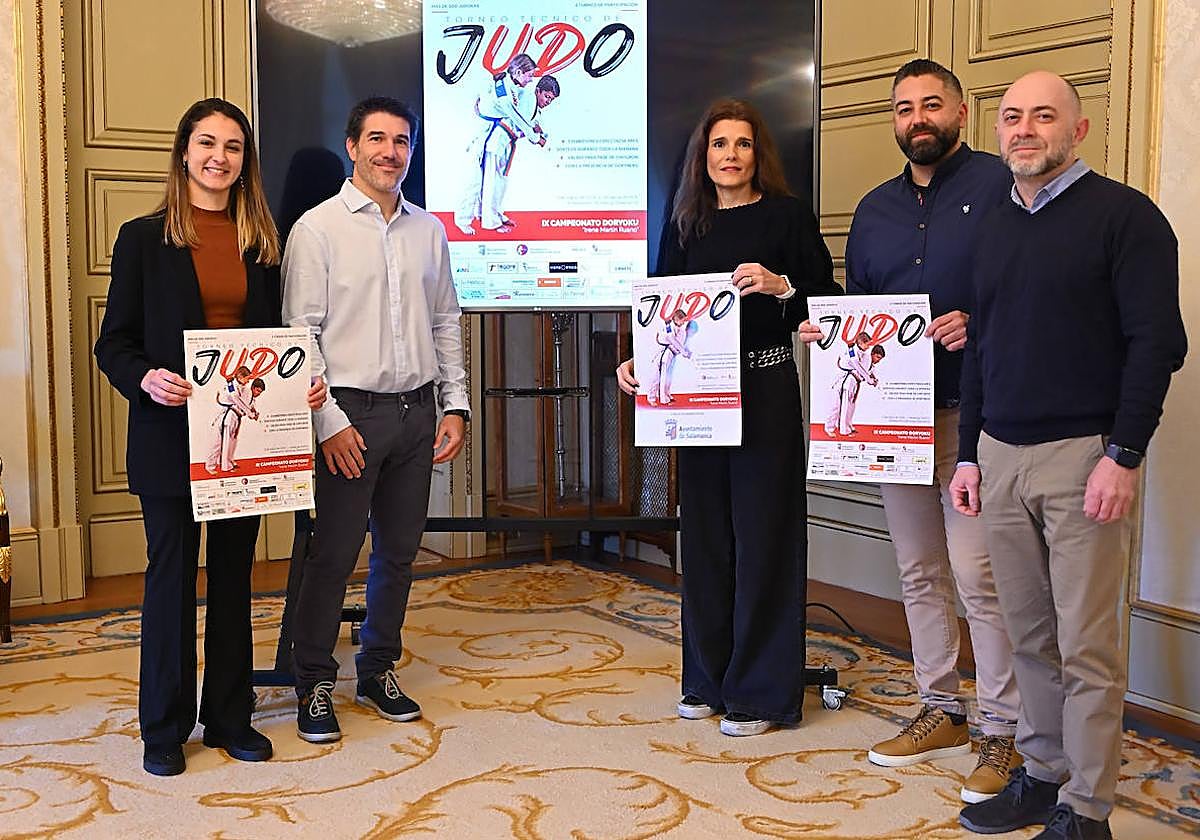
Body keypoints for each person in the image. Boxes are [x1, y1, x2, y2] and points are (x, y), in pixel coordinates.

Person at [949, 72, 1186, 839]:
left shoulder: (1127, 217)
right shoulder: (991, 223)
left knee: (1087, 645)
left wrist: (1124, 452)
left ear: (1078, 130)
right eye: (1012, 117)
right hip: (1001, 455)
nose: (1025, 129)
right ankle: (1043, 773)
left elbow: (1158, 344)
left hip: (1086, 457)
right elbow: (979, 348)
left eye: (1043, 116)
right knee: (1029, 638)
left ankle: (1086, 811)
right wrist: (967, 455)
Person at [799, 59, 1022, 804]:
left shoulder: (1000, 188)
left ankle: (1003, 730)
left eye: (931, 104)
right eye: (904, 108)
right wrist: (825, 336)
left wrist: (980, 323)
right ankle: (941, 709)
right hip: (895, 419)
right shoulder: (873, 211)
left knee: (979, 577)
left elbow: (1035, 289)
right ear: (894, 121)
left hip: (973, 417)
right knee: (919, 573)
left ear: (961, 111)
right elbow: (861, 310)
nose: (917, 118)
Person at [94, 98, 326, 777]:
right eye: (206, 143)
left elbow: (282, 340)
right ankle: (162, 728)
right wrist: (146, 380)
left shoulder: (262, 241)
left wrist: (302, 381)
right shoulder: (142, 239)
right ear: (184, 152)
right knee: (170, 580)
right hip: (170, 437)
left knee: (233, 578)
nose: (218, 156)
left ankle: (229, 717)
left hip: (246, 446)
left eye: (231, 146)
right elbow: (115, 343)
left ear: (243, 160)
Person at [616, 98, 840, 736]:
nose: (731, 155)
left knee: (765, 538)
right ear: (703, 156)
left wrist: (782, 286)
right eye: (719, 145)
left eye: (742, 144)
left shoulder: (787, 216)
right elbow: (663, 306)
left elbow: (826, 301)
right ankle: (707, 681)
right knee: (708, 538)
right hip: (696, 399)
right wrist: (635, 362)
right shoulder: (685, 220)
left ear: (757, 153)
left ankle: (762, 695)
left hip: (765, 387)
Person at [282, 96, 470, 744]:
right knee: (331, 555)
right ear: (352, 146)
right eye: (378, 139)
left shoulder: (430, 231)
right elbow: (298, 335)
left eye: (401, 141)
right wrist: (328, 421)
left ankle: (377, 670)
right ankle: (313, 683)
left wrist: (457, 405)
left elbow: (447, 321)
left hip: (419, 412)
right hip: (349, 415)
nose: (390, 152)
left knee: (399, 554)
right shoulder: (317, 230)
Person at [455, 55, 560, 235]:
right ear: (518, 72)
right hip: (490, 139)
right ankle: (478, 221)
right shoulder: (511, 93)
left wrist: (539, 132)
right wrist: (536, 138)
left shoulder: (514, 87)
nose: (530, 80)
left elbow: (532, 120)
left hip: (497, 139)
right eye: (528, 76)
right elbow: (519, 119)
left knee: (496, 182)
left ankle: (487, 214)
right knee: (481, 182)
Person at [206, 366, 263, 474]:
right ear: (240, 376)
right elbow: (237, 400)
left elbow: (246, 404)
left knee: (229, 442)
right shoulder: (231, 385)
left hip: (234, 416)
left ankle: (224, 462)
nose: (248, 381)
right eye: (247, 378)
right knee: (218, 442)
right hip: (227, 415)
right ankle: (213, 466)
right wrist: (250, 413)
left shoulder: (244, 388)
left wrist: (253, 412)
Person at [824, 332, 875, 436]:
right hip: (841, 380)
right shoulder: (853, 355)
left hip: (849, 380)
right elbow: (860, 369)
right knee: (837, 406)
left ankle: (846, 426)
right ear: (860, 343)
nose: (869, 346)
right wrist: (870, 380)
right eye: (867, 344)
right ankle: (833, 428)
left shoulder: (859, 352)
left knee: (849, 406)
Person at [645, 309, 696, 406]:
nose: (684, 322)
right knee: (659, 376)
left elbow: (680, 343)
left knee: (668, 377)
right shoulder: (668, 327)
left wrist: (686, 351)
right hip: (664, 353)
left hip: (671, 354)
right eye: (682, 320)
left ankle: (666, 395)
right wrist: (684, 352)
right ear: (676, 319)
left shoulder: (680, 329)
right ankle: (660, 399)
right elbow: (672, 340)